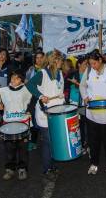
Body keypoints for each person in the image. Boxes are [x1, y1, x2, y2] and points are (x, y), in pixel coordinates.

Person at [26, 50, 65, 181]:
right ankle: (46, 169)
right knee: (48, 142)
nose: (62, 62)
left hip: (57, 113)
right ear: (54, 61)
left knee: (54, 141)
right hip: (45, 113)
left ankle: (52, 165)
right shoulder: (42, 73)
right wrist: (41, 96)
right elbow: (29, 85)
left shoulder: (60, 73)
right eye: (60, 60)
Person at [0, 69, 33, 181]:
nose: (14, 80)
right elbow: (0, 104)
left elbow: (33, 101)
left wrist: (30, 110)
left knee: (22, 149)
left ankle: (22, 168)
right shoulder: (3, 90)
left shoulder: (27, 90)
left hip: (22, 123)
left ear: (21, 80)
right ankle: (10, 169)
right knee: (9, 149)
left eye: (17, 78)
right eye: (13, 77)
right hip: (8, 123)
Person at [25, 50, 45, 151]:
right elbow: (26, 82)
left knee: (44, 119)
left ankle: (44, 138)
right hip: (33, 98)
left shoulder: (47, 70)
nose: (39, 60)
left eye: (41, 57)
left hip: (44, 98)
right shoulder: (30, 70)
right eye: (37, 58)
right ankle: (33, 141)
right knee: (33, 120)